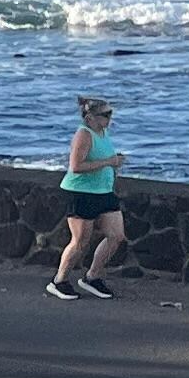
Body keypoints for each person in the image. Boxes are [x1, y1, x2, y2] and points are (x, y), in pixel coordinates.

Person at [47, 95, 125, 299]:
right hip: (81, 194)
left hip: (104, 192)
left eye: (111, 113)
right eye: (105, 114)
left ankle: (93, 276)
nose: (110, 118)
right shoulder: (84, 135)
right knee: (81, 241)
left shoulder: (103, 133)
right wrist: (109, 162)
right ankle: (59, 280)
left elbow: (105, 159)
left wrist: (114, 164)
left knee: (116, 236)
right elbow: (76, 166)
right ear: (90, 117)